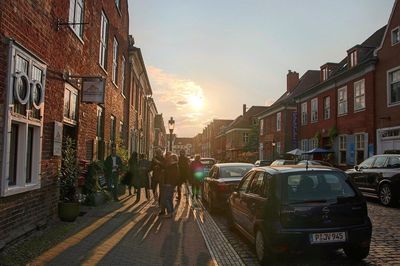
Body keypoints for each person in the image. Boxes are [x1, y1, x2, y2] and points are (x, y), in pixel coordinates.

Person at [163, 153, 179, 218]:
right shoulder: (174, 166)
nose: (170, 159)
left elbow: (172, 175)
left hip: (169, 184)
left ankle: (170, 212)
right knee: (169, 199)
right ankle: (171, 212)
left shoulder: (173, 166)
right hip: (170, 183)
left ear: (173, 159)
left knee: (166, 199)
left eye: (171, 158)